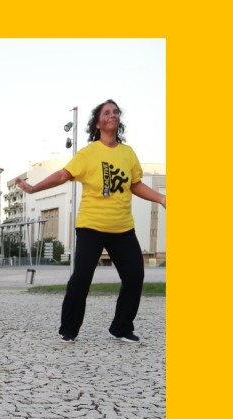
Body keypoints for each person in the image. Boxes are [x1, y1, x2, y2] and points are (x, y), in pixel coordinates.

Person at [16, 99, 166, 344]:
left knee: (135, 276)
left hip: (122, 227)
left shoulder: (128, 153)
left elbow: (135, 184)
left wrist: (161, 197)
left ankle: (121, 327)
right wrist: (33, 189)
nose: (113, 115)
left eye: (116, 112)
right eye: (107, 112)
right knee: (82, 277)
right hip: (91, 226)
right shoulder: (88, 153)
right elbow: (63, 175)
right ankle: (69, 329)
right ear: (97, 123)